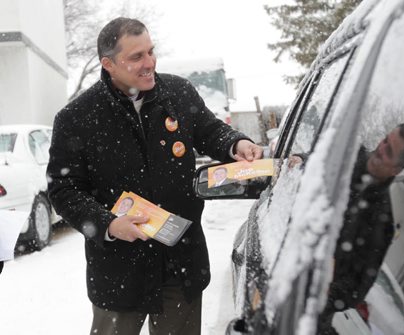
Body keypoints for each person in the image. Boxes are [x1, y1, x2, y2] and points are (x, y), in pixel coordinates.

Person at [47, 17, 262, 335]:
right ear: (108, 64)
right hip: (119, 272)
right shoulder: (77, 117)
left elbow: (207, 129)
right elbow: (63, 189)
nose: (149, 63)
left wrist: (235, 143)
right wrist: (109, 225)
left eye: (151, 51)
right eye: (136, 57)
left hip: (180, 261)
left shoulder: (178, 92)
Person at [317, 123, 404, 334]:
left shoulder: (380, 224)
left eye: (389, 151)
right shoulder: (347, 155)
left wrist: (323, 293)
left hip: (309, 313)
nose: (380, 149)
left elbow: (355, 290)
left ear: (396, 170)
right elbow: (315, 161)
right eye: (384, 141)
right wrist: (299, 160)